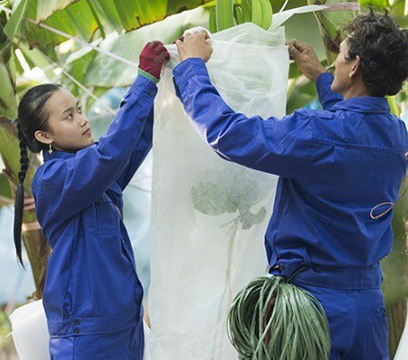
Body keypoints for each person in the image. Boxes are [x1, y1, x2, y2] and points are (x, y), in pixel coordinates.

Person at [173, 12, 408, 359]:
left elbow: (230, 134)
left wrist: (192, 68)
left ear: (354, 66)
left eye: (342, 54)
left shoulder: (316, 133)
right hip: (367, 309)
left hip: (313, 309)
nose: (338, 62)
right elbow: (352, 131)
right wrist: (322, 78)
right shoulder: (396, 135)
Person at [12, 41, 169, 359]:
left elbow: (133, 144)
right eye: (68, 116)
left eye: (79, 110)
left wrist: (169, 87)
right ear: (45, 136)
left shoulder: (92, 172)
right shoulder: (54, 179)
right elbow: (111, 154)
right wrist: (144, 80)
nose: (83, 120)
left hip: (125, 328)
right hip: (87, 336)